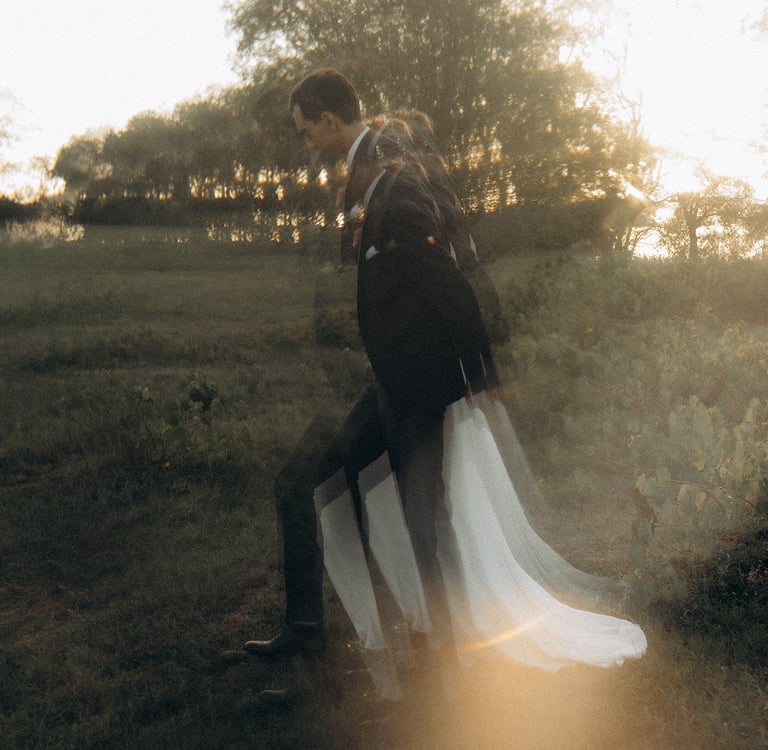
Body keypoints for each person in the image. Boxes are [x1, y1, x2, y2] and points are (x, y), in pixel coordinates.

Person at [244, 68, 499, 660]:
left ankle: (445, 643)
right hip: (389, 377)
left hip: (417, 380)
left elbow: (449, 280)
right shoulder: (369, 170)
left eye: (307, 131)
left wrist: (481, 372)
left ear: (329, 119)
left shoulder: (392, 175)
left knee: (421, 514)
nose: (308, 144)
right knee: (309, 481)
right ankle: (310, 629)